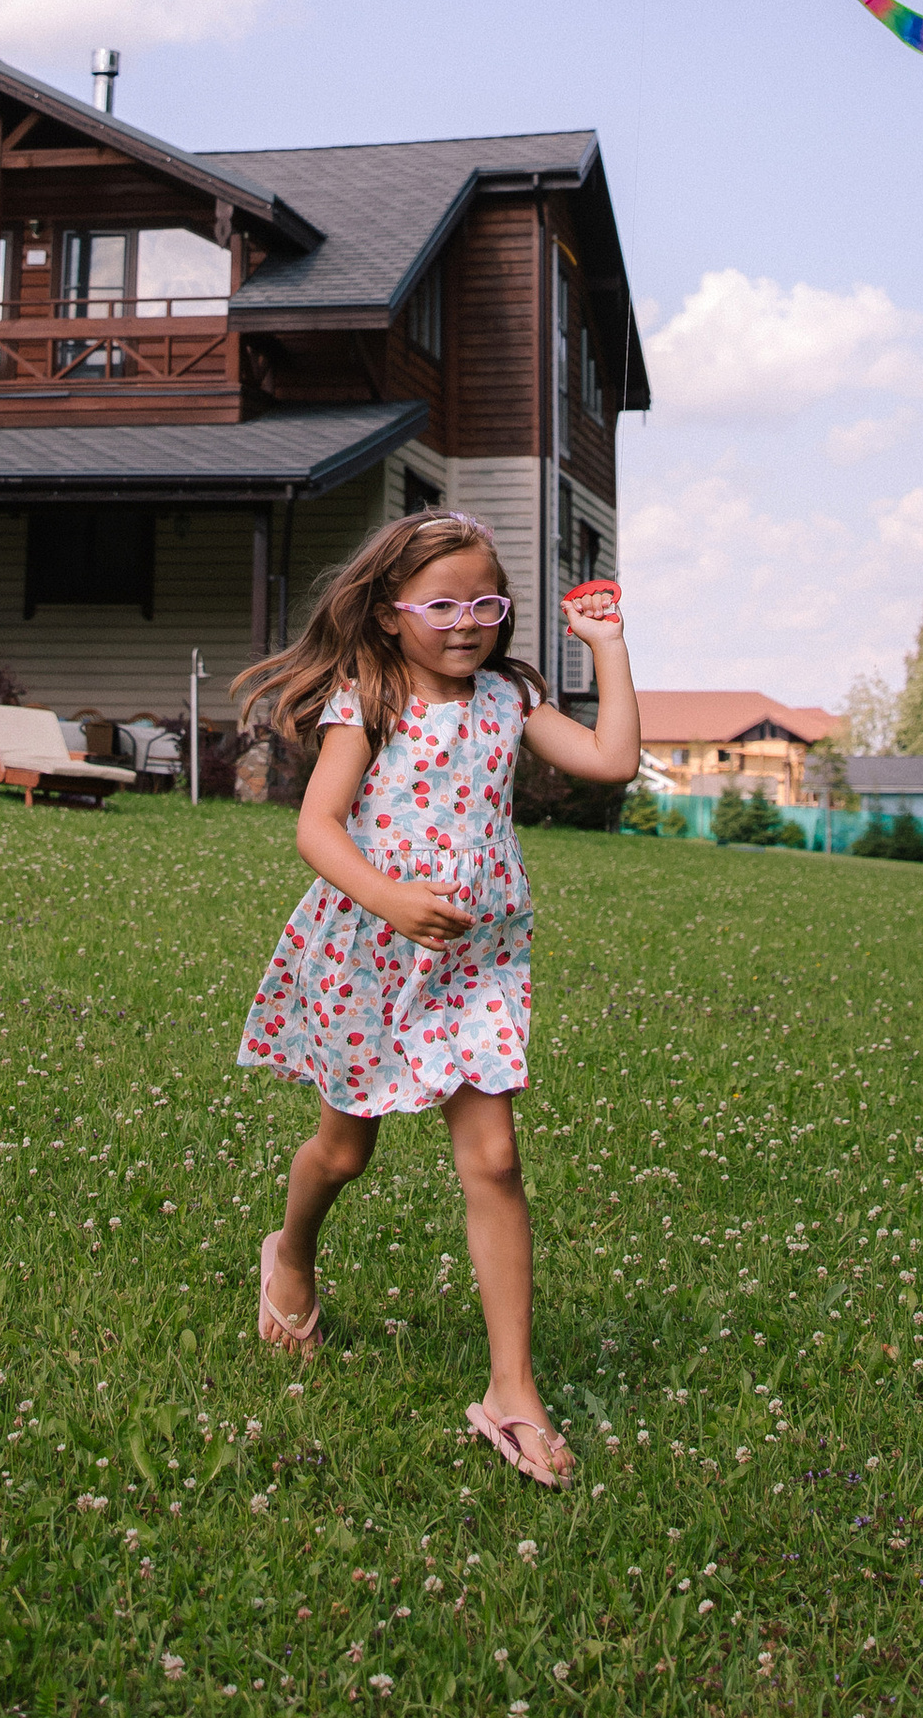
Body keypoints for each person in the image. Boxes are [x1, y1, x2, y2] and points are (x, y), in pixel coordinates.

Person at [231, 509, 638, 1491]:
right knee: (345, 1148)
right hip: (372, 950)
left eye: (486, 603)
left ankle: (511, 1391)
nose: (467, 623)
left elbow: (612, 761)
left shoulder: (506, 700)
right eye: (443, 604)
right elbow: (319, 828)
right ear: (388, 614)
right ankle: (289, 1253)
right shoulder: (365, 699)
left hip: (477, 957)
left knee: (494, 1158)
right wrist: (387, 898)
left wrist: (610, 650)